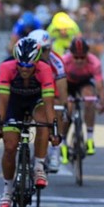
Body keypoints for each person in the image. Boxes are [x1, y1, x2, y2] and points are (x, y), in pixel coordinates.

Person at [0, 37, 60, 207]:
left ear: (36, 63)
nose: (24, 69)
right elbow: (3, 102)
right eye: (20, 65)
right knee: (10, 146)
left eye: (28, 66)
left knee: (43, 120)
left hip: (35, 101)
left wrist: (54, 130)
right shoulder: (7, 68)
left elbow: (49, 103)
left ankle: (38, 166)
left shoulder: (44, 69)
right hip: (14, 103)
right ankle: (7, 190)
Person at [28, 29, 68, 173]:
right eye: (42, 50)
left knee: (57, 108)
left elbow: (62, 87)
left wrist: (64, 106)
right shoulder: (26, 58)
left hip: (47, 92)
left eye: (48, 49)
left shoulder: (56, 61)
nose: (46, 53)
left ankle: (55, 151)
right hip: (29, 93)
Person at [61, 37, 104, 161]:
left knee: (89, 99)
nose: (79, 60)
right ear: (71, 55)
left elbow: (100, 84)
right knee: (68, 108)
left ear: (87, 54)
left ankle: (90, 138)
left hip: (84, 83)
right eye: (76, 57)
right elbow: (59, 84)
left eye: (82, 57)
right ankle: (63, 141)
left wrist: (102, 102)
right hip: (67, 84)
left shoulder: (94, 62)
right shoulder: (64, 61)